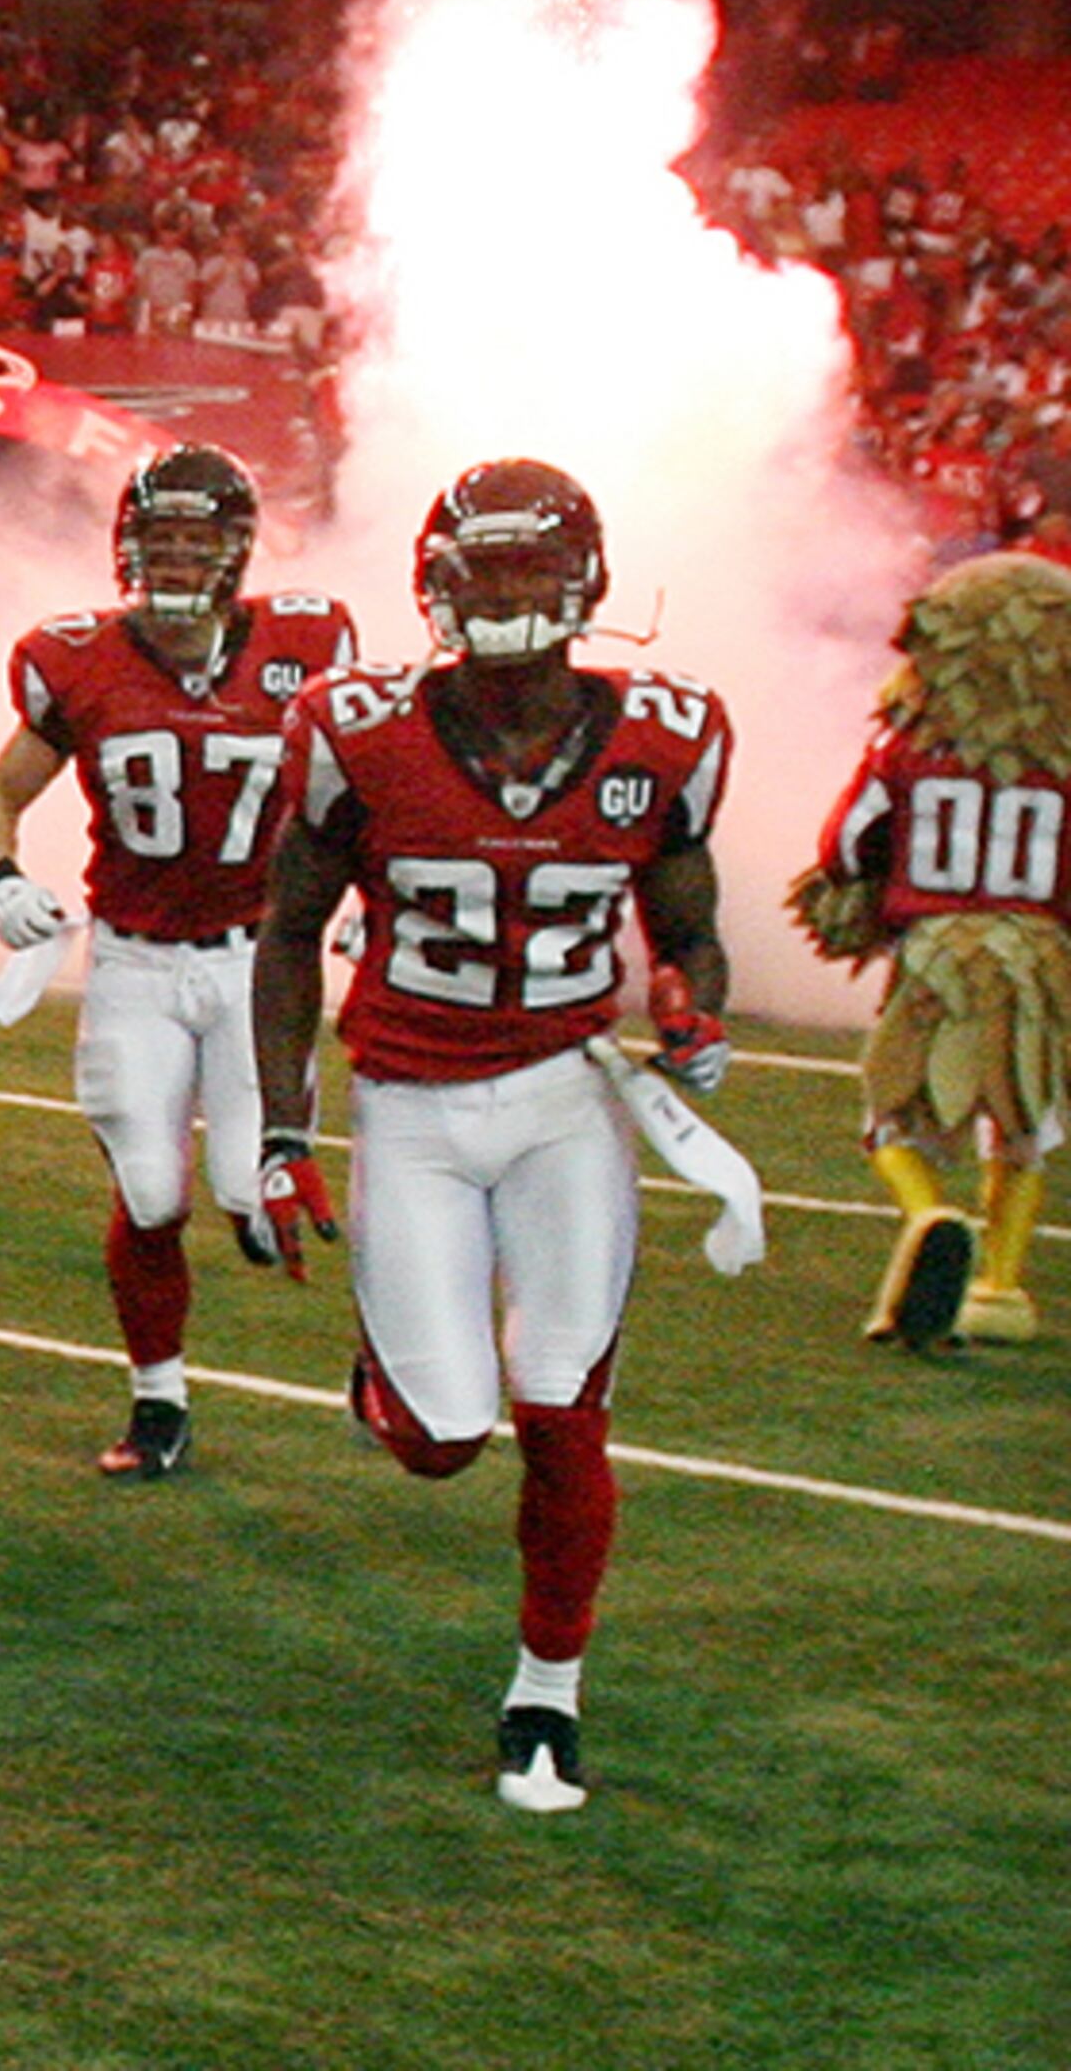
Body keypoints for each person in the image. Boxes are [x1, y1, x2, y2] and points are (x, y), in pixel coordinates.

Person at [254, 457, 732, 1812]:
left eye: (532, 569)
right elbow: (289, 936)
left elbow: (689, 925)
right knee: (443, 1438)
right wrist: (284, 1135)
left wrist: (697, 1000)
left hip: (568, 1101)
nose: (510, 596)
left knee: (564, 1412)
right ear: (438, 585)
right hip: (409, 1101)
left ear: (580, 580)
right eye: (487, 571)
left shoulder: (668, 737)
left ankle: (546, 1696)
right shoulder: (358, 728)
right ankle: (391, 1381)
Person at [0, 443, 356, 1478]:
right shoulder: (78, 656)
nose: (178, 560)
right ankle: (159, 1401)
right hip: (134, 962)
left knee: (250, 1194)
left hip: (256, 965)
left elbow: (360, 788)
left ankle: (377, 1333)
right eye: (161, 539)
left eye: (198, 541)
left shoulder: (306, 643)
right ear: (127, 544)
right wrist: (2, 875)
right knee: (148, 1193)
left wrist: (370, 897)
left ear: (237, 550)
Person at [794, 552, 1071, 1347]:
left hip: (940, 949)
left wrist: (862, 901)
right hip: (1041, 955)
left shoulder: (906, 750)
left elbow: (845, 843)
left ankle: (928, 1214)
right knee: (1024, 1122)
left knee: (893, 1118)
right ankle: (1002, 1286)